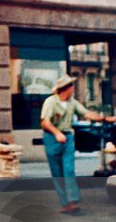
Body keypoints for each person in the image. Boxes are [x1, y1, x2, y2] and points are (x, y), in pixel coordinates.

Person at [40, 74, 115, 213]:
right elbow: (45, 122)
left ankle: (72, 200)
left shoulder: (72, 103)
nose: (74, 88)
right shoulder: (51, 102)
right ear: (65, 88)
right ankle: (64, 203)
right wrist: (57, 133)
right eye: (72, 86)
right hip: (52, 138)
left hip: (67, 138)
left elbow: (86, 114)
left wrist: (104, 118)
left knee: (68, 170)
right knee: (57, 172)